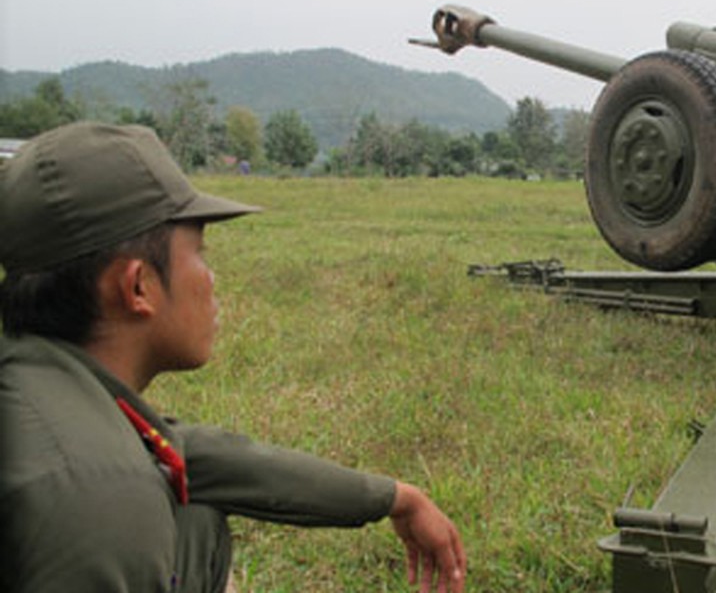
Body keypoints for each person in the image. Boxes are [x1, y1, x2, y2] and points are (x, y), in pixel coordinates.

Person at [0, 122, 467, 593]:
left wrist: (393, 498)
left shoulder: (42, 383)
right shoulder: (98, 497)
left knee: (197, 522)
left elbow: (198, 454)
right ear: (138, 286)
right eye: (199, 253)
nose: (212, 277)